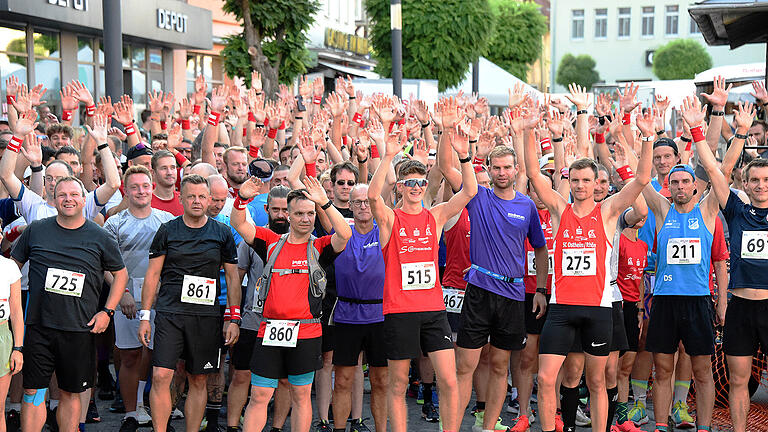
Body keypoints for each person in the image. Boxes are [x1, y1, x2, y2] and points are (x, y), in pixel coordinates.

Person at [523, 87, 652, 432]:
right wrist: (527, 130)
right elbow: (535, 175)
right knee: (548, 379)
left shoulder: (608, 212)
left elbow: (641, 180)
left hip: (598, 310)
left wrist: (648, 139)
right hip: (562, 308)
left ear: (597, 183)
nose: (579, 185)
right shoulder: (559, 209)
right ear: (569, 181)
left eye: (586, 180)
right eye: (574, 179)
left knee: (597, 382)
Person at [367, 117, 478, 432]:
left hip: (433, 311)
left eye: (420, 182)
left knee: (449, 379)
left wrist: (465, 155)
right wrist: (387, 155)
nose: (416, 188)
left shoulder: (436, 215)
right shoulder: (390, 219)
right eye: (409, 183)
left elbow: (469, 190)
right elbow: (374, 197)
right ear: (401, 186)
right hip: (400, 311)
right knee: (399, 382)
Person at [231, 175, 352, 432]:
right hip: (270, 330)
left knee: (300, 395)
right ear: (289, 215)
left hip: (307, 332)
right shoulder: (271, 242)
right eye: (299, 214)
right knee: (260, 396)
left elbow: (345, 233)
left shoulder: (319, 246)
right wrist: (242, 198)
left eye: (310, 214)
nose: (306, 219)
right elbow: (239, 223)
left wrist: (325, 203)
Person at [11, 175, 128, 432]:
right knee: (33, 391)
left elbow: (121, 274)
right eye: (62, 195)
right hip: (39, 326)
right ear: (53, 200)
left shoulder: (99, 236)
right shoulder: (37, 230)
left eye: (74, 195)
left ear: (84, 200)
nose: (68, 199)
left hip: (79, 328)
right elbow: (12, 268)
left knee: (70, 393)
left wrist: (107, 312)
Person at [641, 96, 722, 432]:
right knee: (662, 369)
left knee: (702, 371)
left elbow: (716, 168)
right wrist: (646, 137)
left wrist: (702, 126)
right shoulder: (662, 211)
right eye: (673, 182)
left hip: (698, 301)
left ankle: (703, 427)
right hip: (665, 301)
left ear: (694, 186)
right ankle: (660, 426)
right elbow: (641, 180)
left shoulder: (707, 210)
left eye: (685, 181)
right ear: (669, 187)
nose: (679, 186)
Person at [138, 174, 241, 432]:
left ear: (210, 199)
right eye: (191, 196)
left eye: (202, 196)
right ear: (181, 198)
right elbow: (152, 275)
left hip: (206, 317)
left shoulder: (222, 233)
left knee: (198, 379)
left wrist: (233, 318)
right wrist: (145, 315)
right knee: (162, 375)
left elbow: (232, 276)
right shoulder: (167, 231)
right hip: (170, 314)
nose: (197, 201)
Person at [694, 100, 768, 432]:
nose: (761, 185)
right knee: (739, 382)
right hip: (740, 309)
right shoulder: (736, 210)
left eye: (766, 180)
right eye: (754, 180)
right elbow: (713, 171)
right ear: (746, 182)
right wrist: (714, 130)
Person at [103, 165, 175, 432]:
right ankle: (131, 413)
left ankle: (155, 410)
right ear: (126, 190)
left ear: (152, 187)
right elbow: (106, 265)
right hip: (128, 301)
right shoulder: (114, 223)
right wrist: (121, 294)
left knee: (160, 357)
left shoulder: (166, 220)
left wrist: (162, 290)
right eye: (134, 187)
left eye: (145, 186)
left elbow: (174, 262)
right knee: (131, 355)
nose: (141, 191)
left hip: (161, 300)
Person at [228, 185, 291, 432]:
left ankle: (276, 428)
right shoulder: (254, 238)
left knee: (284, 380)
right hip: (253, 320)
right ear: (266, 210)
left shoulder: (306, 241)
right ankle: (233, 426)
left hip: (288, 324)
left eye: (285, 210)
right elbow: (236, 278)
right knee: (242, 375)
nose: (280, 215)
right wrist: (233, 316)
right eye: (275, 209)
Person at [330, 183, 387, 432]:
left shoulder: (385, 231)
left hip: (380, 316)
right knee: (342, 380)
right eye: (358, 202)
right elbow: (323, 206)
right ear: (349, 206)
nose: (364, 206)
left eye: (367, 201)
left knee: (381, 381)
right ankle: (340, 429)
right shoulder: (341, 232)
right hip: (346, 316)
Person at [0, 231, 24, 432]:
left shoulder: (9, 267)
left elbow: (16, 312)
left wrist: (18, 348)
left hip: (3, 337)